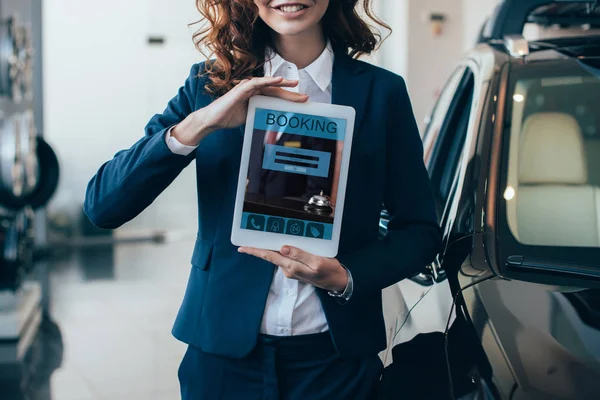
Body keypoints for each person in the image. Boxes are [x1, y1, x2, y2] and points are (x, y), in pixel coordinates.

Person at [84, 0, 442, 399]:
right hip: (223, 358)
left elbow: (420, 231)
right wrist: (200, 125)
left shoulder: (381, 92)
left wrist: (347, 276)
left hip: (336, 365)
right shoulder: (209, 86)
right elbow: (103, 205)